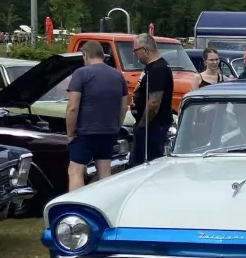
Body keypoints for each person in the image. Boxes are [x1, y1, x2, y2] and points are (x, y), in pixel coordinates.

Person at [65, 41, 129, 190]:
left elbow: (72, 107)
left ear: (85, 55)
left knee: (75, 171)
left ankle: (77, 208)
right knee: (105, 172)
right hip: (109, 131)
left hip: (85, 132)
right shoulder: (118, 75)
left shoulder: (81, 73)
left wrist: (70, 132)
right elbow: (123, 107)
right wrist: (116, 127)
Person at [130, 34, 175, 165]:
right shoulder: (151, 68)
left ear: (145, 49)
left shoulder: (158, 69)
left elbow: (154, 102)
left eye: (135, 51)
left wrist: (142, 126)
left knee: (143, 165)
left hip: (154, 128)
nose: (135, 54)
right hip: (150, 127)